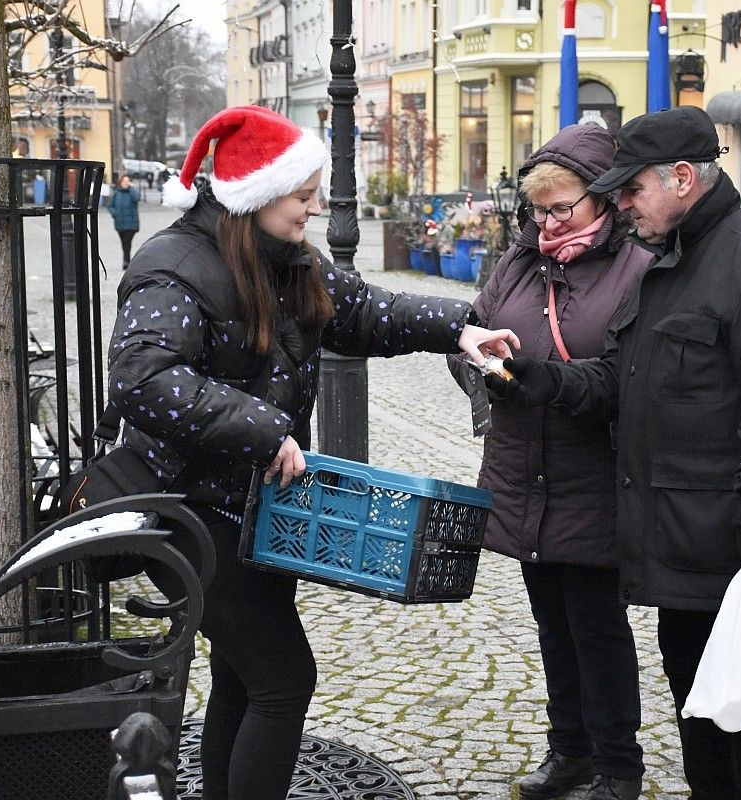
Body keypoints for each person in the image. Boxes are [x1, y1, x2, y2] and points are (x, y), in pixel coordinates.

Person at [108, 105, 519, 800]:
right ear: (259, 194)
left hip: (256, 508)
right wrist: (263, 428)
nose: (314, 208)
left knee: (245, 677)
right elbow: (143, 379)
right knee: (283, 679)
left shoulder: (288, 260)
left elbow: (365, 312)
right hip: (188, 510)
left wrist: (461, 329)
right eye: (303, 196)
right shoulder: (173, 266)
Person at [486, 106, 741, 800]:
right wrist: (542, 380)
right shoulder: (667, 264)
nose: (621, 205)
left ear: (680, 179)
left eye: (631, 189)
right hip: (677, 552)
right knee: (701, 732)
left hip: (740, 558)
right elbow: (621, 380)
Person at [448, 123, 654, 800]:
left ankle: (618, 766)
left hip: (595, 474)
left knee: (596, 627)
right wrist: (481, 364)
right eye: (538, 209)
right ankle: (568, 750)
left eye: (561, 207)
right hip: (524, 471)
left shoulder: (638, 269)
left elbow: (636, 378)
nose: (546, 222)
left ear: (601, 200)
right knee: (552, 624)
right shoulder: (517, 262)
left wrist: (550, 379)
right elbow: (471, 331)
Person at [107, 174, 141, 267]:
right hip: (119, 223)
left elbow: (137, 198)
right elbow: (110, 205)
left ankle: (126, 261)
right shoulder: (116, 193)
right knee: (124, 243)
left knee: (127, 242)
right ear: (120, 182)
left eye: (127, 181)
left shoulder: (132, 192)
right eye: (124, 181)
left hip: (131, 223)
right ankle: (127, 260)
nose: (125, 183)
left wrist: (132, 188)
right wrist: (114, 213)